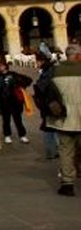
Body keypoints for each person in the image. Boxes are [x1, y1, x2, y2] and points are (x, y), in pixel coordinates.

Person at [47, 44, 81, 196]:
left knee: (66, 151)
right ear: (78, 56)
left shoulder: (55, 71)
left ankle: (67, 183)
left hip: (63, 118)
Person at [0, 59, 31, 145]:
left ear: (5, 66)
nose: (0, 68)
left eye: (1, 65)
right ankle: (7, 135)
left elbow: (27, 80)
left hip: (15, 101)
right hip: (4, 101)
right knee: (6, 120)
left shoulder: (13, 74)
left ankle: (22, 135)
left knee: (18, 119)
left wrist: (19, 86)